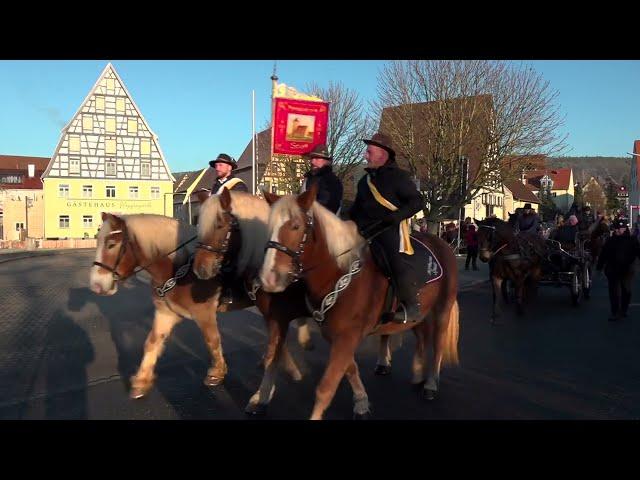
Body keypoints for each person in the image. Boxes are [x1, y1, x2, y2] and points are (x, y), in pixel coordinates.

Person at [349, 132, 423, 323]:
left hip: (389, 229)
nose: (365, 155)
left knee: (393, 257)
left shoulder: (398, 178)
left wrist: (396, 217)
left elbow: (416, 202)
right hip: (366, 232)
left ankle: (410, 305)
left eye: (369, 152)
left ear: (382, 154)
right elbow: (355, 210)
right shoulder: (364, 183)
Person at [596, 218, 640, 321]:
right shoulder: (611, 240)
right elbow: (603, 254)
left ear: (625, 229)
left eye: (619, 228)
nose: (617, 230)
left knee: (626, 290)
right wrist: (599, 267)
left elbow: (638, 251)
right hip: (613, 269)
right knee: (614, 291)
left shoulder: (632, 240)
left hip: (627, 269)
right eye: (616, 228)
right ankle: (615, 312)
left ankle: (624, 309)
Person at [300, 144, 343, 214]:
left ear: (326, 161)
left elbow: (328, 207)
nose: (312, 162)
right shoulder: (308, 178)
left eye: (317, 158)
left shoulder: (332, 181)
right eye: (312, 158)